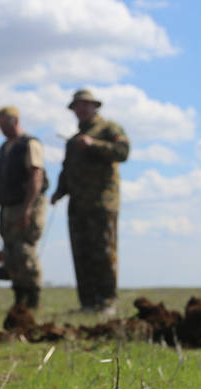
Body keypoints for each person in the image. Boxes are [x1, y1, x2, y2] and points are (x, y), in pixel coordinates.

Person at [50, 89, 129, 315]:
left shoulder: (108, 128)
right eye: (77, 106)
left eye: (86, 105)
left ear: (95, 106)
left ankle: (107, 302)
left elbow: (123, 151)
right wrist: (59, 192)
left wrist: (94, 144)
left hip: (103, 203)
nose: (81, 109)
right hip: (78, 206)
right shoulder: (73, 140)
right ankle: (88, 303)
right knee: (81, 254)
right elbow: (67, 170)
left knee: (103, 254)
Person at [0, 106, 47, 309]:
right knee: (10, 254)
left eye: (5, 124)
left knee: (24, 250)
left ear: (14, 121)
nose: (2, 129)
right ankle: (20, 299)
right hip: (7, 206)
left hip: (27, 204)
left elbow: (36, 176)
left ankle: (34, 299)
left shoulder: (30, 144)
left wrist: (28, 209)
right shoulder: (3, 150)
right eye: (0, 125)